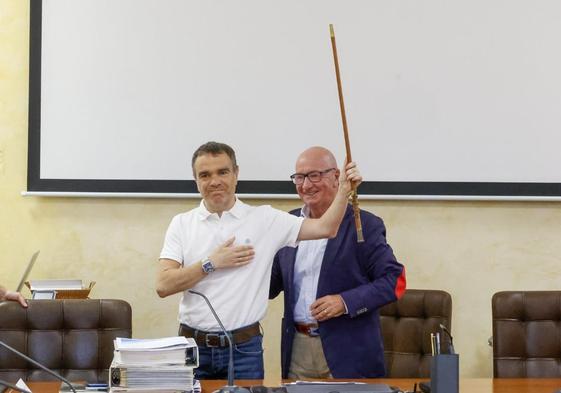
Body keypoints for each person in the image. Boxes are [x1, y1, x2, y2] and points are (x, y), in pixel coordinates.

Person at [156, 141, 361, 380]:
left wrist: (345, 189)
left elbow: (326, 228)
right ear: (196, 180)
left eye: (223, 172)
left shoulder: (265, 218)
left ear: (236, 174)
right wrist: (211, 262)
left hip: (244, 350)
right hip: (193, 349)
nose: (214, 181)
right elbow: (163, 285)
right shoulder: (182, 223)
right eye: (205, 175)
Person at [269, 146, 406, 379]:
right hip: (298, 350)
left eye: (315, 175)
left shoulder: (364, 224)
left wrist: (344, 302)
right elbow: (269, 284)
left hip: (349, 351)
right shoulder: (288, 223)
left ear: (336, 177)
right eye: (299, 177)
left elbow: (395, 281)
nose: (306, 185)